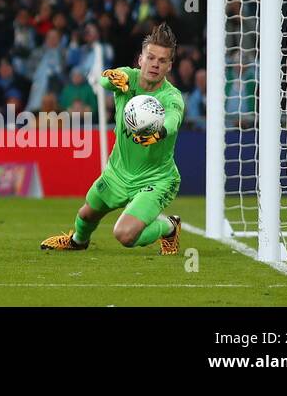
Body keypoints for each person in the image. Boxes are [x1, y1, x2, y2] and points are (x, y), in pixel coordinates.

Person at [40, 23, 185, 255]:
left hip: (155, 179)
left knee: (125, 235)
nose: (155, 64)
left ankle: (169, 226)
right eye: (151, 57)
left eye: (162, 60)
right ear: (141, 59)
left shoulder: (171, 97)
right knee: (87, 213)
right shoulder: (129, 78)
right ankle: (78, 241)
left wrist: (159, 132)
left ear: (169, 66)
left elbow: (173, 119)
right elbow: (105, 79)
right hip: (117, 172)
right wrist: (112, 76)